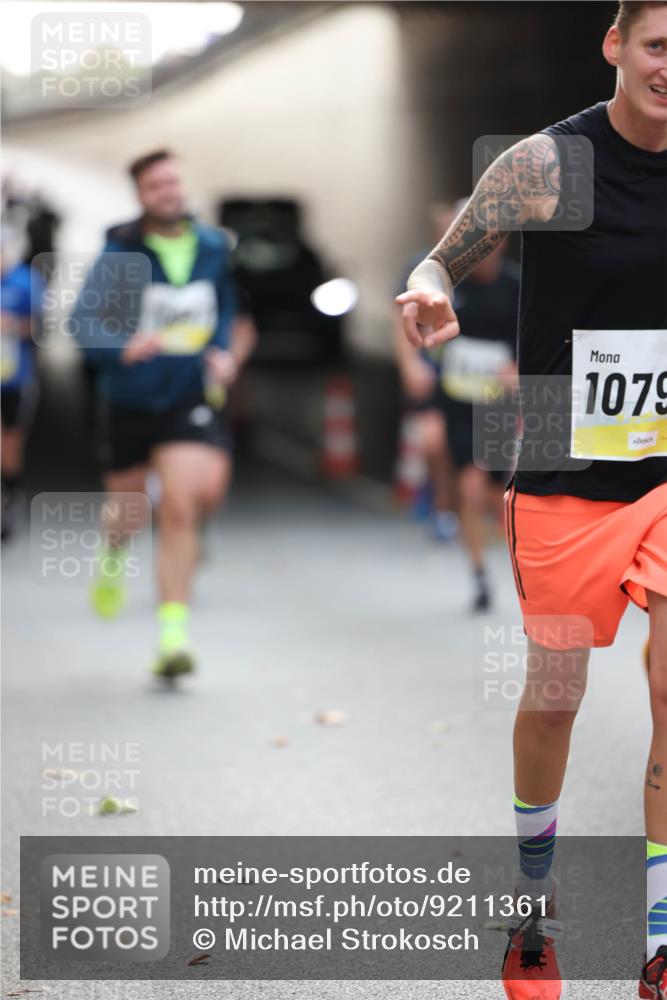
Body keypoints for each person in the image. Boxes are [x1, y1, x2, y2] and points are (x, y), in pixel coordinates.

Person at [397, 2, 667, 997]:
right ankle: (533, 908)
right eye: (658, 45)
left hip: (666, 468)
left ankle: (659, 937)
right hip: (561, 463)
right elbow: (446, 254)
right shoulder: (551, 164)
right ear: (615, 46)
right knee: (555, 697)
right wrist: (430, 285)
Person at [72, 149, 255, 679]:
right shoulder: (120, 254)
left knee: (180, 507)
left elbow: (229, 312)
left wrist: (225, 355)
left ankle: (173, 636)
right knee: (129, 508)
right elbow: (84, 323)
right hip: (131, 398)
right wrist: (120, 347)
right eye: (155, 186)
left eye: (173, 181)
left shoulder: (214, 247)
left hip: (189, 395)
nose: (168, 192)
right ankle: (113, 556)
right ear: (141, 196)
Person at [435, 207, 519, 611]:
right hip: (460, 402)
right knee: (469, 488)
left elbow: (543, 338)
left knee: (496, 496)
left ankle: (521, 569)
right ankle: (480, 574)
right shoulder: (450, 285)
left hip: (501, 405)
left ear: (502, 242)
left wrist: (518, 369)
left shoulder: (518, 286)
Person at [393, 203, 459, 541]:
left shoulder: (493, 275)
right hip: (434, 372)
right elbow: (399, 318)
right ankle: (442, 508)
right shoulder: (421, 267)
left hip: (474, 381)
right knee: (434, 441)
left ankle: (474, 508)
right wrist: (410, 364)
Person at [1, 224, 43, 541]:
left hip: (14, 380)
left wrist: (13, 325)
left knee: (9, 446)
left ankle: (10, 497)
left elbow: (42, 327)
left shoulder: (26, 281)